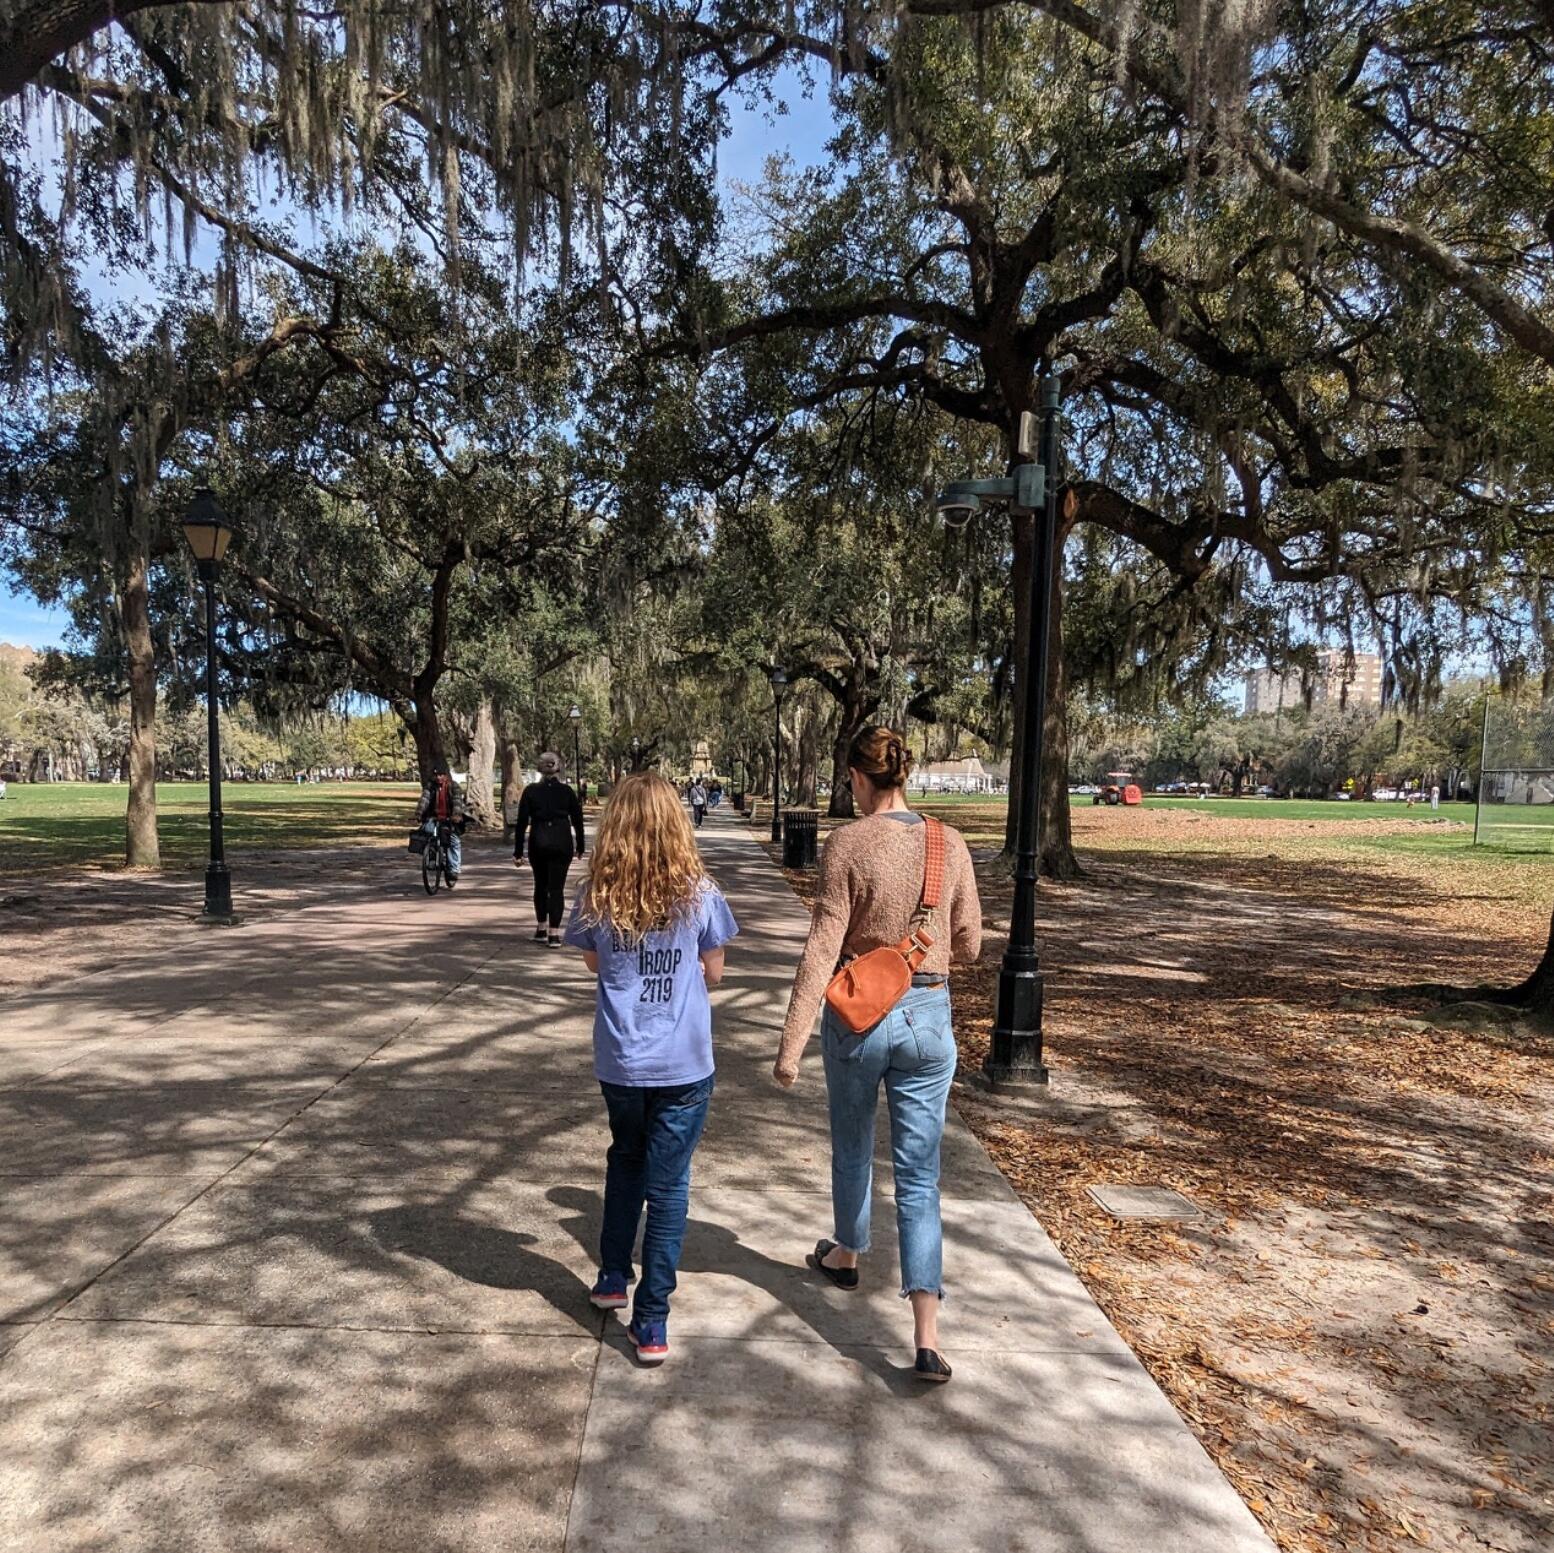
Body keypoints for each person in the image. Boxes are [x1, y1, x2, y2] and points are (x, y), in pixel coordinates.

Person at [772, 726, 982, 1385]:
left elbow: (821, 946)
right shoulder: (948, 845)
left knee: (853, 1146)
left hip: (860, 1013)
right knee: (920, 1177)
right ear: (905, 775)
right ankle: (925, 1337)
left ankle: (847, 1252)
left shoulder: (847, 843)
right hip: (927, 1017)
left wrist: (791, 1043)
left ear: (860, 779)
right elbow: (971, 944)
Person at [564, 771, 739, 1364]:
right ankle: (652, 1320)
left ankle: (613, 1277)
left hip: (621, 1059)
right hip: (684, 1063)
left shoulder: (597, 894)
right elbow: (714, 972)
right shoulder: (701, 894)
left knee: (625, 1161)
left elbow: (592, 963)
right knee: (668, 1191)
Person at [514, 752, 586, 945]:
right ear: (558, 768)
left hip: (539, 840)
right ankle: (554, 933)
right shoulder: (567, 792)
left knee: (540, 884)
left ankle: (541, 927)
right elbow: (577, 820)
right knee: (557, 888)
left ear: (539, 769)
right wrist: (580, 845)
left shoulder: (530, 791)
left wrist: (518, 852)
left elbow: (522, 822)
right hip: (562, 841)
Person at [415, 761, 466, 886]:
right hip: (433, 817)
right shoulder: (430, 786)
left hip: (449, 818)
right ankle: (431, 858)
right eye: (436, 775)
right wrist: (418, 813)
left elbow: (457, 802)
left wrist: (456, 815)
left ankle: (454, 869)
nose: (438, 777)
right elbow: (424, 800)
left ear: (446, 775)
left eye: (441, 775)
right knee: (427, 834)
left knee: (454, 841)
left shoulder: (453, 786)